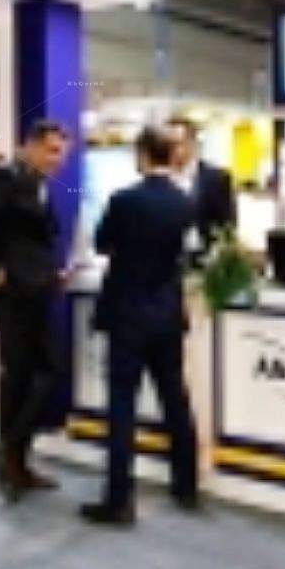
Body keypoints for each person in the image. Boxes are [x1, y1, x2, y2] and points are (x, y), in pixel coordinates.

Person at [82, 125, 200, 526]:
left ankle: (119, 500)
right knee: (175, 399)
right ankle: (186, 485)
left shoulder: (124, 200)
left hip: (127, 314)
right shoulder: (185, 202)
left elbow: (101, 244)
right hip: (167, 314)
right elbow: (188, 253)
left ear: (144, 155)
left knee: (122, 407)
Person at [0, 124, 71, 504]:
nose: (58, 159)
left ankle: (14, 458)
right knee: (29, 372)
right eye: (52, 150)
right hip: (13, 295)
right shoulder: (9, 177)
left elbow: (28, 238)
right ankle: (9, 451)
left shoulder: (35, 182)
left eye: (62, 151)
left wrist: (51, 273)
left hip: (35, 289)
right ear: (30, 147)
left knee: (31, 374)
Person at [167, 116, 236, 256]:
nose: (172, 150)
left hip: (206, 256)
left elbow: (227, 225)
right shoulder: (159, 179)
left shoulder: (216, 178)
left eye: (177, 144)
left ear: (193, 143)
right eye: (167, 145)